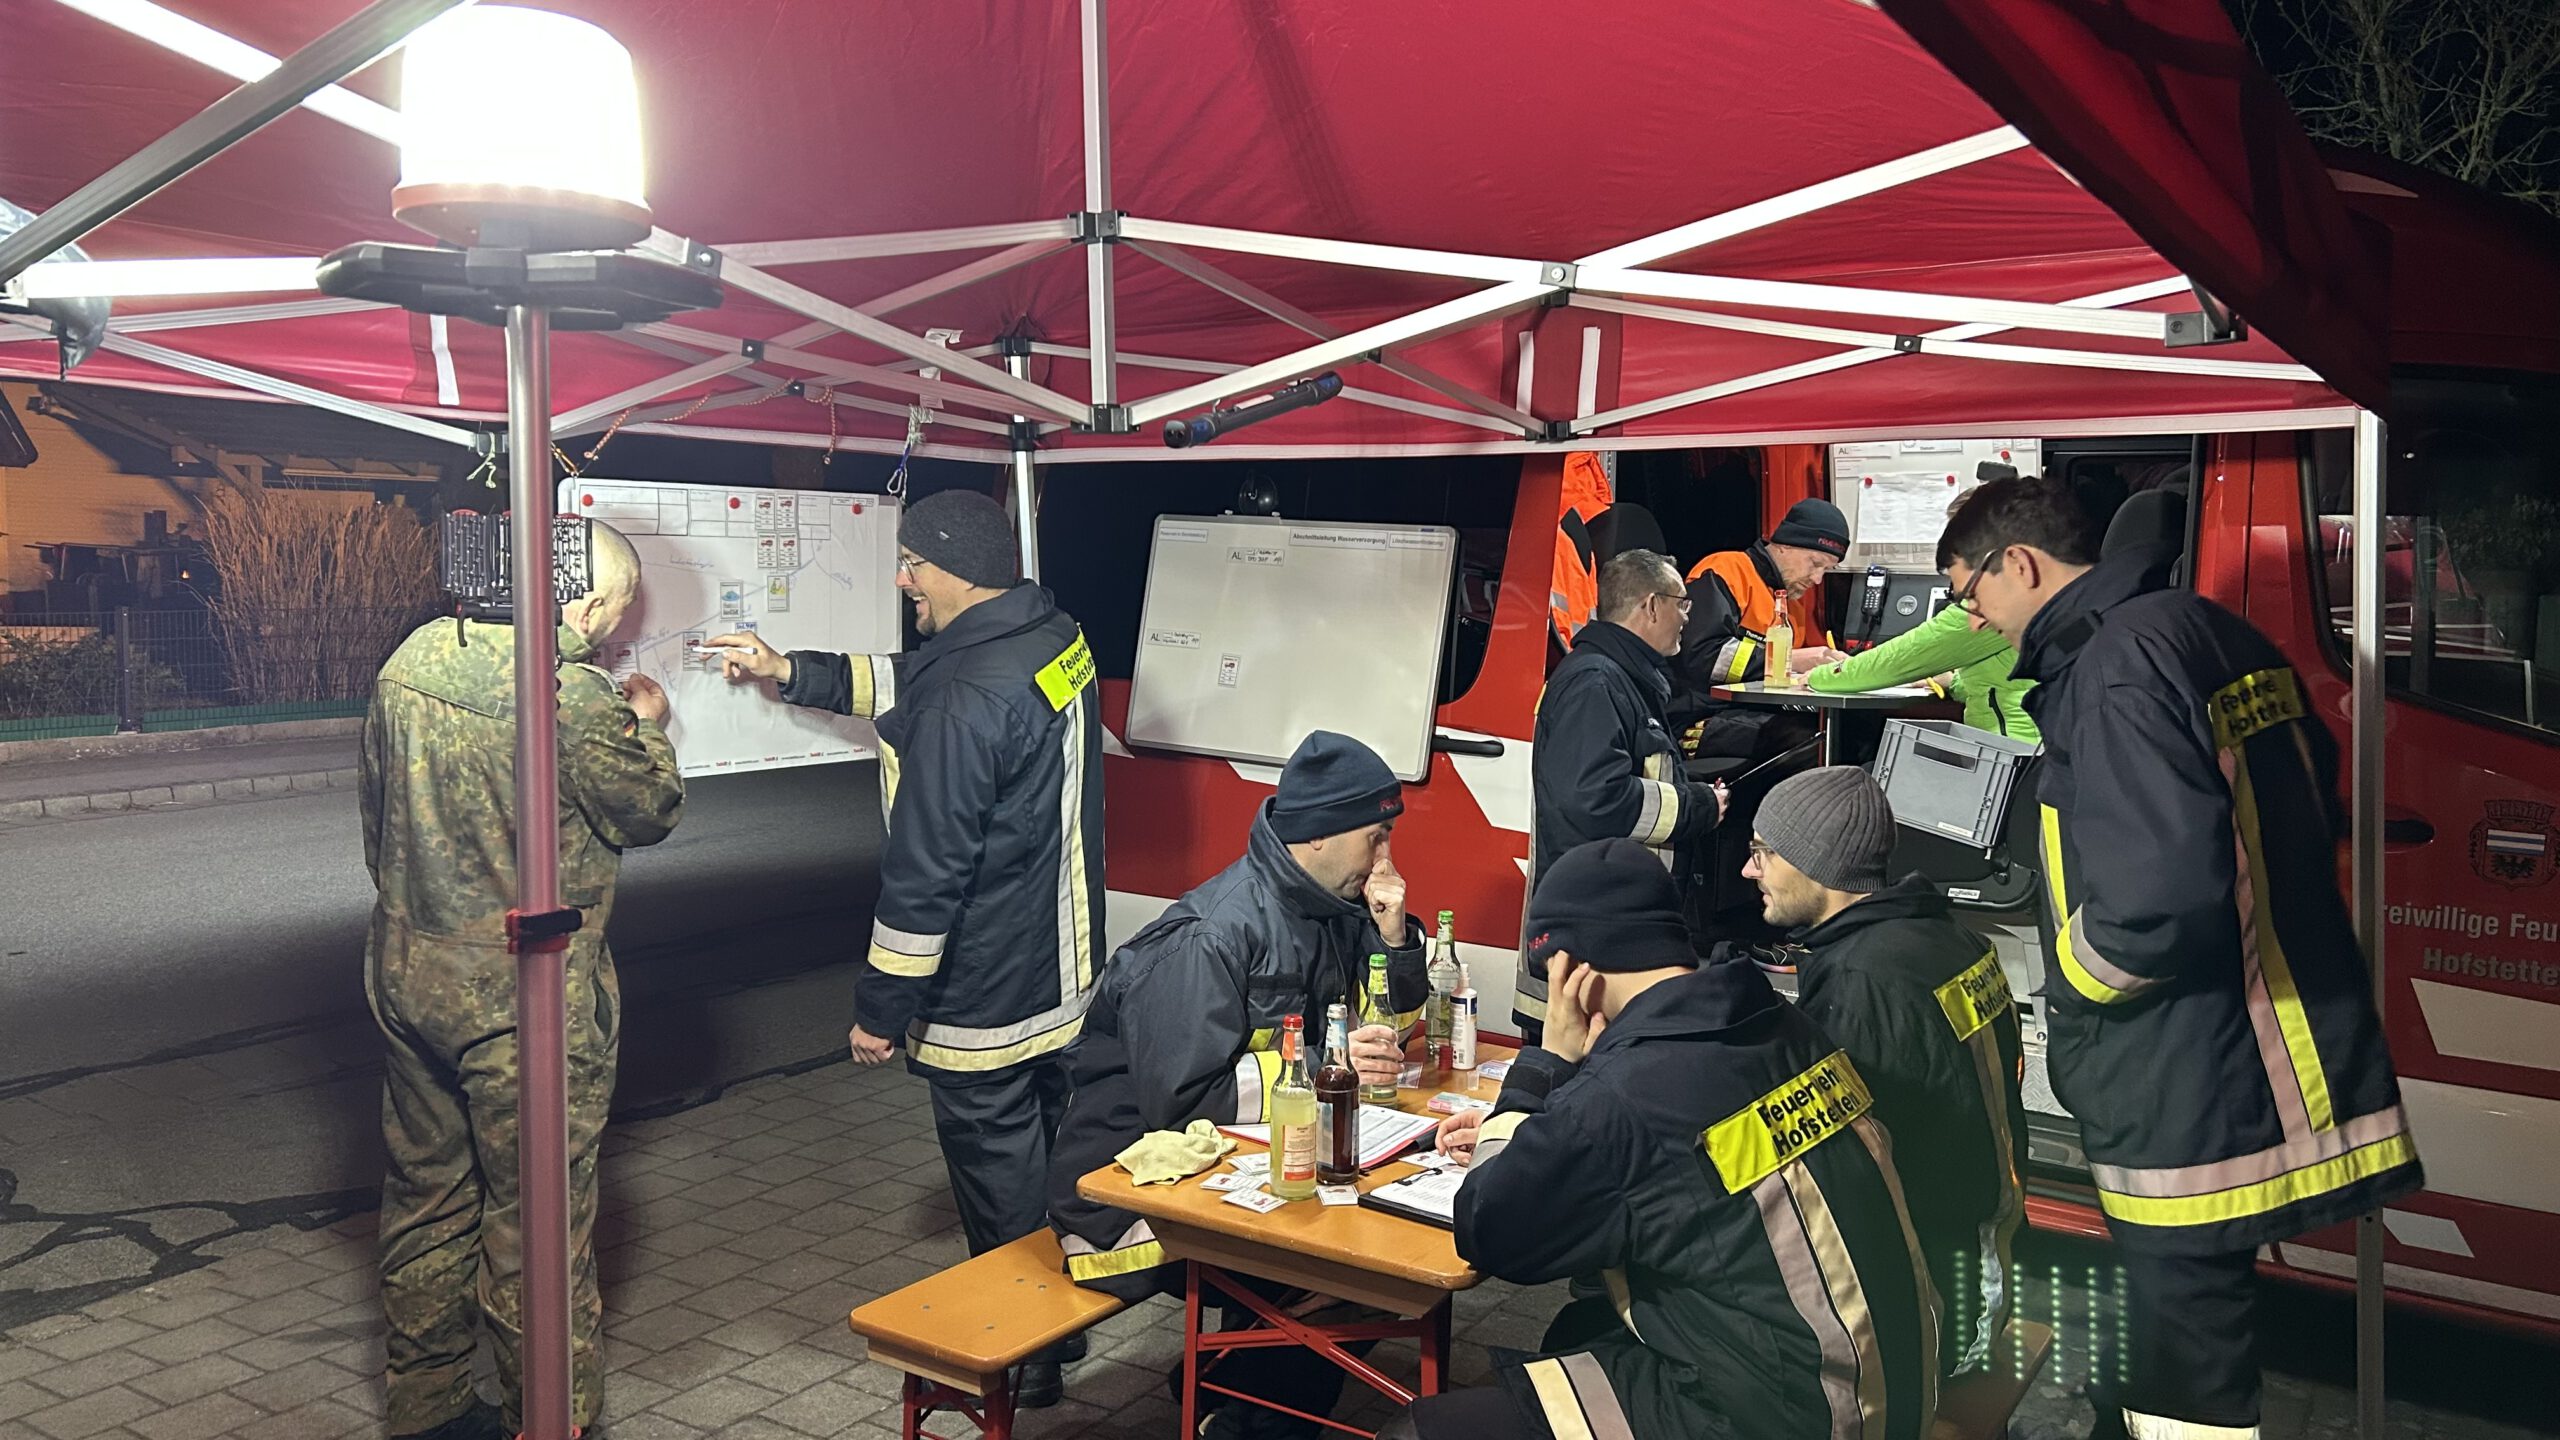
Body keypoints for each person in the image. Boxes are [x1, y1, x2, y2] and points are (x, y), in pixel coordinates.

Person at [1941, 476, 2423, 1439]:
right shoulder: (2211, 634)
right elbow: (2307, 787)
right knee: (2178, 1334)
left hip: (2184, 1069)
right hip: (2254, 1042)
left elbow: (2156, 899)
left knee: (2182, 1367)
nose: (1974, 620)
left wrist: (2077, 988)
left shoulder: (2113, 669)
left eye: (1968, 593)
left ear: (2018, 563)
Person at [709, 487, 1104, 1399]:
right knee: (1048, 1158)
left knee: (998, 1179)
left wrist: (881, 1012)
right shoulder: (1047, 637)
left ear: (954, 568)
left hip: (986, 996)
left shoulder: (966, 697)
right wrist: (789, 669)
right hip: (1060, 970)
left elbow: (926, 878)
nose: (901, 580)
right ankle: (1066, 1323)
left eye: (912, 563)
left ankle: (1025, 1363)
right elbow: (918, 683)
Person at [1401, 838, 1939, 1440]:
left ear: (1568, 970)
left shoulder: (1625, 1096)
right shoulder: (1778, 1024)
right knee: (1577, 1332)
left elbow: (1491, 1230)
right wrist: (1556, 1125)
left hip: (1788, 1420)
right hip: (1893, 1388)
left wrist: (1543, 1069)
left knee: (1421, 1431)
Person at [363, 521, 683, 1440]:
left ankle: (425, 1408)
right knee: (537, 1226)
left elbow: (378, 818)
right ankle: (549, 1420)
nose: (612, 632)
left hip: (409, 969)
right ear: (583, 603)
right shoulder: (569, 697)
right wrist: (650, 727)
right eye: (616, 613)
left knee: (426, 1198)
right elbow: (650, 810)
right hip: (522, 999)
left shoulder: (412, 659)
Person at [1048, 730, 1426, 1432]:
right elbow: (1183, 1104)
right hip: (1130, 1196)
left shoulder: (1333, 908)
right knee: (1351, 1274)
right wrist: (1327, 1067)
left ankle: (1229, 1381)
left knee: (1376, 1266)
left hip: (1232, 1167)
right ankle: (1243, 1414)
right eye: (1375, 838)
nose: (1386, 860)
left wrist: (1394, 935)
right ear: (1318, 835)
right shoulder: (1212, 935)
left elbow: (1399, 1022)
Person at [1745, 765, 2028, 1378]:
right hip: (1984, 1259)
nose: (1749, 870)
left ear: (1815, 861)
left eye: (1763, 852)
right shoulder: (1943, 937)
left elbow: (1839, 1167)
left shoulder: (1863, 981)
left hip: (1937, 1313)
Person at [1517, 548, 1724, 1039]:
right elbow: (1595, 798)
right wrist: (1698, 806)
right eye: (1681, 603)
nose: (1686, 617)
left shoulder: (1619, 677)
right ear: (1650, 606)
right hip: (1598, 929)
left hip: (1610, 921)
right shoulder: (1596, 683)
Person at [1670, 497, 1853, 940]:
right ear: (1784, 545)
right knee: (1804, 747)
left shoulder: (1788, 600)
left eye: (1827, 570)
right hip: (1696, 722)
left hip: (1748, 717)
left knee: (1838, 739)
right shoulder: (1725, 571)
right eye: (1815, 563)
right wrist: (1793, 659)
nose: (1817, 579)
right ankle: (1747, 907)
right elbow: (1701, 657)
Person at [1804, 497, 2039, 743]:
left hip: (2018, 748)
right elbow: (2002, 680)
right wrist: (1953, 682)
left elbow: (1900, 660)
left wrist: (1818, 676)